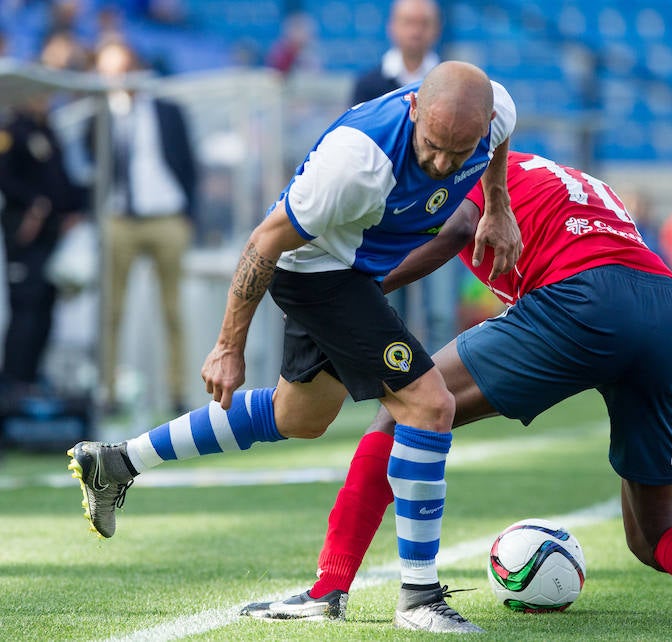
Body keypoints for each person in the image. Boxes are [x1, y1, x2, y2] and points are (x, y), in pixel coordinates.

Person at [240, 151, 672, 628]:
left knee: (404, 410)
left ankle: (329, 588)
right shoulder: (574, 182)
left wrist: (358, 296)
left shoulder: (475, 172)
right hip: (666, 313)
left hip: (577, 301)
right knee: (654, 536)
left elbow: (458, 228)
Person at [68, 61, 520, 634]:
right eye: (432, 147)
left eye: (459, 153)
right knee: (430, 406)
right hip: (319, 272)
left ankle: (116, 461)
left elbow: (499, 141)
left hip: (359, 266)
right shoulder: (356, 164)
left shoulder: (496, 110)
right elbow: (264, 242)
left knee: (298, 417)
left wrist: (498, 206)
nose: (441, 165)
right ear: (412, 111)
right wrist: (228, 345)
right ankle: (419, 598)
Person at [84, 38, 197, 415]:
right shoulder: (98, 115)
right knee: (111, 312)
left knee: (173, 311)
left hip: (166, 217)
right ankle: (108, 392)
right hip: (119, 220)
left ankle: (177, 391)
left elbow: (188, 164)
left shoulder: (166, 110)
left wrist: (188, 216)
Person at [351, 0, 459, 351]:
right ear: (393, 27)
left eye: (423, 22)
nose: (416, 30)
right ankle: (392, 386)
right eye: (409, 22)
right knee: (384, 303)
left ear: (436, 29)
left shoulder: (455, 81)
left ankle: (443, 385)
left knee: (441, 311)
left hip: (443, 210)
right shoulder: (369, 84)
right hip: (386, 213)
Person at [0, 40, 87, 393]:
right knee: (25, 309)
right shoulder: (12, 129)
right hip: (26, 232)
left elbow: (61, 180)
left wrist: (73, 209)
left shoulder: (48, 128)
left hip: (52, 234)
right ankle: (13, 384)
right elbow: (7, 176)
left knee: (46, 309)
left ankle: (31, 378)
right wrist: (35, 204)